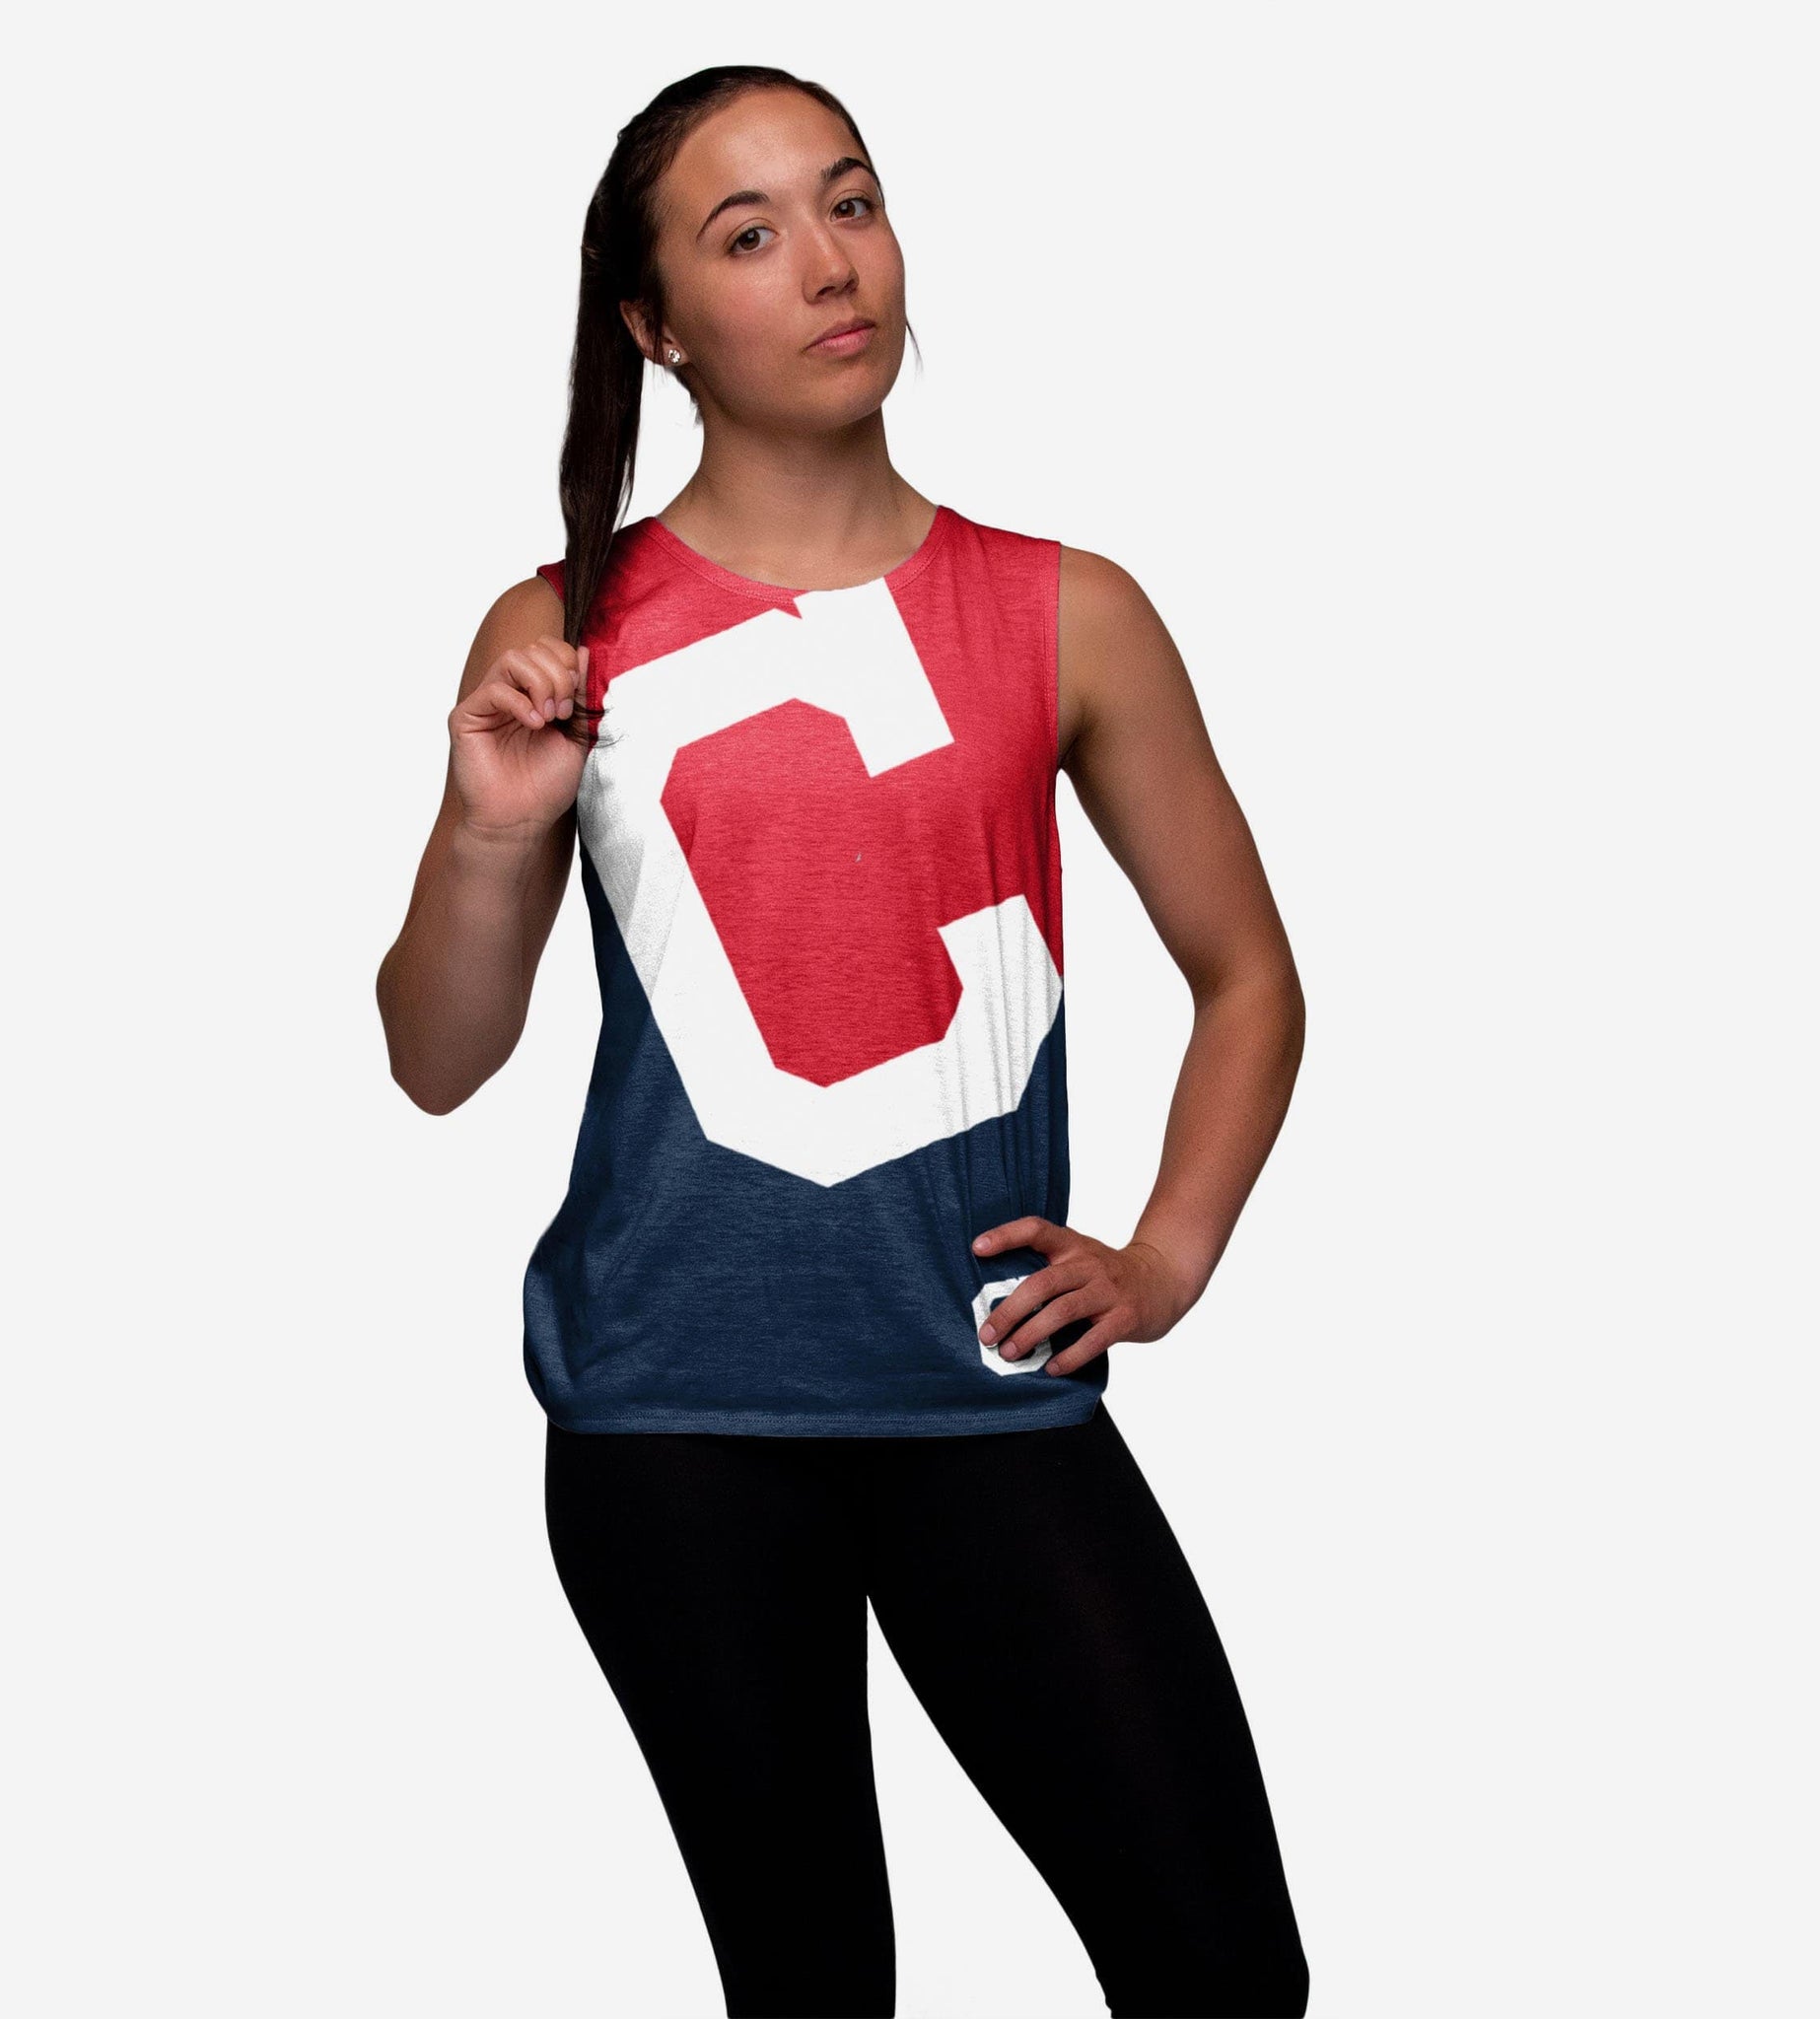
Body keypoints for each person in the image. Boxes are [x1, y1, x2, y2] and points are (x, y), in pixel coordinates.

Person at [378, 63, 1311, 2019]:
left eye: (851, 201)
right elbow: (439, 1056)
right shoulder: (564, 627)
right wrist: (487, 830)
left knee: (1222, 1968)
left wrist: (1165, 1256)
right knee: (811, 1992)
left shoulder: (1066, 612)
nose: (829, 263)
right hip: (671, 1417)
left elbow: (1245, 971)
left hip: (979, 1386)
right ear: (654, 328)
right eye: (750, 235)